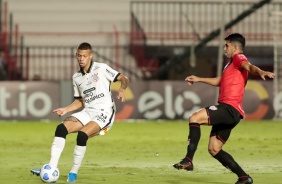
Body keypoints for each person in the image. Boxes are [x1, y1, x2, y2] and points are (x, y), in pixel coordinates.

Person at [172, 33, 275, 184]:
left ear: (235, 47)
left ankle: (188, 160)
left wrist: (261, 72)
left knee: (194, 118)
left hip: (229, 108)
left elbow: (249, 66)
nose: (224, 48)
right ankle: (244, 177)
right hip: (234, 113)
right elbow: (221, 81)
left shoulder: (239, 58)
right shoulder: (231, 64)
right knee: (214, 149)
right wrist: (199, 79)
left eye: (226, 45)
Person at [30, 42, 129, 182]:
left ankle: (73, 173)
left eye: (84, 56)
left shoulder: (102, 68)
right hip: (88, 111)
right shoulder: (76, 77)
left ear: (90, 56)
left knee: (82, 135)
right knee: (61, 129)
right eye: (79, 55)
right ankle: (51, 167)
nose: (81, 58)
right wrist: (66, 109)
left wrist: (122, 89)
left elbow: (124, 78)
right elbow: (80, 101)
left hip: (104, 113)